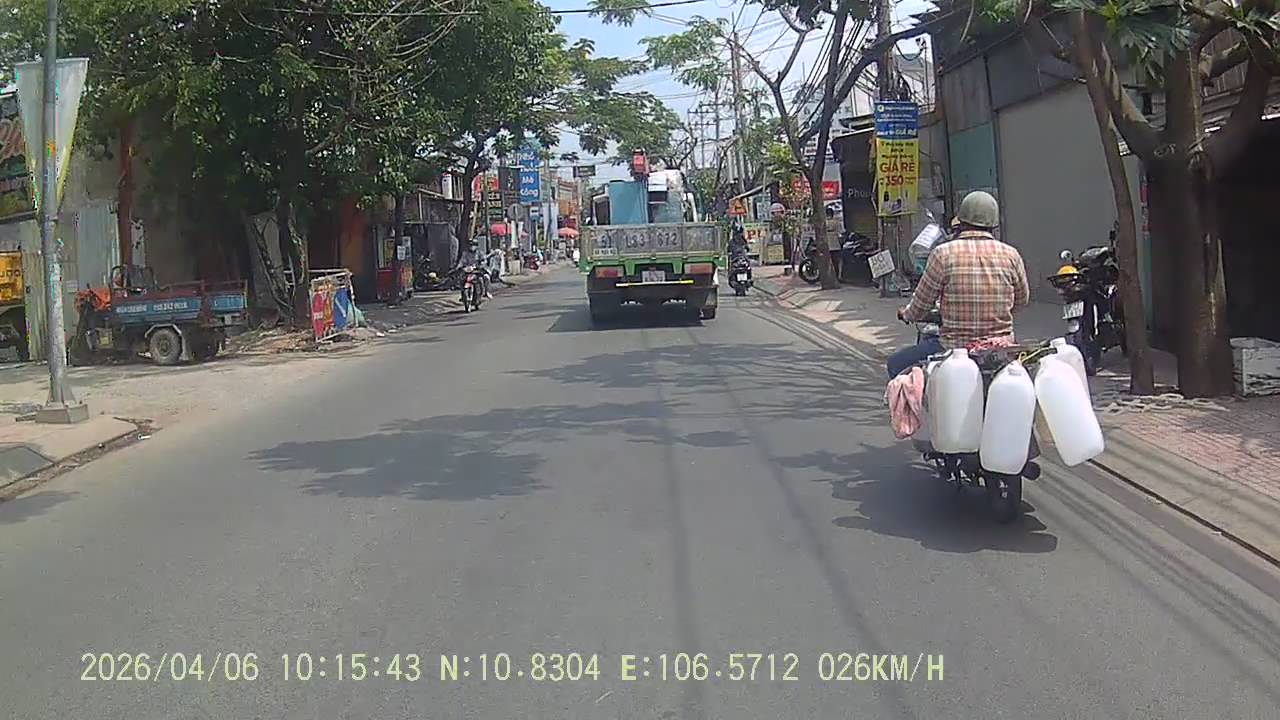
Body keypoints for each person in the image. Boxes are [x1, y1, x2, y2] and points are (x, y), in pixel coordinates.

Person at [887, 191, 1029, 378]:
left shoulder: (943, 254)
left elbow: (921, 305)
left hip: (954, 348)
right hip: (1001, 350)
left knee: (895, 364)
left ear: (961, 222)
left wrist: (907, 314)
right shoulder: (1011, 255)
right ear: (994, 224)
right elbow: (1021, 300)